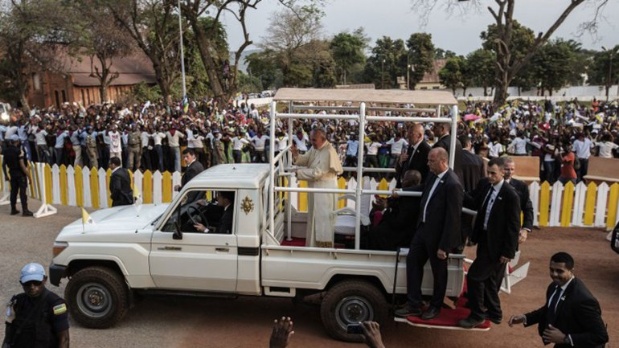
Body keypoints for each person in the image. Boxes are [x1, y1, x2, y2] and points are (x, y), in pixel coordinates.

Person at [395, 147, 463, 320]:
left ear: (442, 161)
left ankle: (435, 306)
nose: (427, 164)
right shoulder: (433, 176)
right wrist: (402, 192)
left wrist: (444, 246)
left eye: (431, 161)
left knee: (439, 272)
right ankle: (414, 303)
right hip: (423, 229)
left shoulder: (452, 183)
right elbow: (423, 188)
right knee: (413, 262)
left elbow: (453, 218)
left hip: (438, 236)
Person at [459, 157, 520, 328]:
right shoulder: (486, 185)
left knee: (475, 276)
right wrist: (459, 192)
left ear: (502, 172)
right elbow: (474, 202)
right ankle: (494, 312)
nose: (490, 176)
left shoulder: (510, 195)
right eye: (489, 173)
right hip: (484, 239)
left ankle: (478, 314)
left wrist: (508, 252)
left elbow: (513, 226)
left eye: (493, 173)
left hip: (498, 246)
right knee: (489, 279)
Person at [508, 252, 608, 347]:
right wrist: (525, 318)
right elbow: (550, 308)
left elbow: (601, 336)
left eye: (559, 271)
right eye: (552, 270)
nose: (554, 274)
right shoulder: (554, 286)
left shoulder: (582, 300)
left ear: (571, 271)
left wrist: (565, 338)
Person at [291, 128, 343, 248]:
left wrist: (299, 173)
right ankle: (312, 246)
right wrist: (296, 154)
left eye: (314, 140)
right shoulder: (315, 147)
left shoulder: (328, 151)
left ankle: (323, 248)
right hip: (316, 189)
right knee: (314, 217)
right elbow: (306, 159)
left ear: (323, 139)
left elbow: (317, 173)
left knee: (323, 220)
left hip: (325, 190)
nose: (312, 142)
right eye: (311, 139)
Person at [2, 263, 70, 348]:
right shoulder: (17, 302)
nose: (32, 287)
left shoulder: (56, 304)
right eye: (27, 283)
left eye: (36, 282)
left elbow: (64, 339)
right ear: (21, 283)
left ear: (45, 280)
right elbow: (9, 332)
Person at [365, 170, 421, 251]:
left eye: (403, 180)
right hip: (394, 226)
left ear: (409, 182)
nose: (401, 182)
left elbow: (399, 222)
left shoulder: (412, 199)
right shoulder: (403, 192)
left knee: (374, 234)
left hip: (401, 234)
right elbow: (393, 202)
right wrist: (385, 202)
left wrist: (384, 210)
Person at [501, 157, 534, 244]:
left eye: (512, 169)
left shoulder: (521, 186)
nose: (509, 172)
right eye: (507, 169)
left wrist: (525, 229)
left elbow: (528, 208)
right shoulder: (490, 183)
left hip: (512, 230)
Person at [2, 135, 33, 216]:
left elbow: (3, 164)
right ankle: (25, 210)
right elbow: (22, 165)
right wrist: (29, 176)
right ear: (17, 141)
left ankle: (13, 209)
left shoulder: (6, 151)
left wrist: (5, 175)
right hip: (20, 174)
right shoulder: (19, 151)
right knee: (22, 193)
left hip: (12, 173)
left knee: (13, 192)